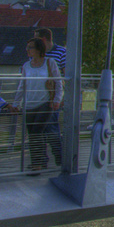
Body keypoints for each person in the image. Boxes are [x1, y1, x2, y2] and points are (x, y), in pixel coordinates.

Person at [15, 37, 62, 176]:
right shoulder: (26, 66)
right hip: (29, 104)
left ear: (39, 49)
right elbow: (21, 85)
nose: (27, 50)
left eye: (30, 47)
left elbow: (58, 82)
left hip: (45, 103)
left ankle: (37, 164)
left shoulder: (49, 62)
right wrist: (16, 103)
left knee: (37, 131)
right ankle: (38, 162)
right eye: (27, 47)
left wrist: (57, 99)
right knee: (33, 134)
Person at [38, 27, 68, 166]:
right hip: (38, 97)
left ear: (43, 39)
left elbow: (66, 76)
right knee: (38, 128)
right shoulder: (37, 53)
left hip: (53, 97)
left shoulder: (62, 52)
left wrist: (62, 97)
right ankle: (41, 159)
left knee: (51, 127)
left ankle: (60, 156)